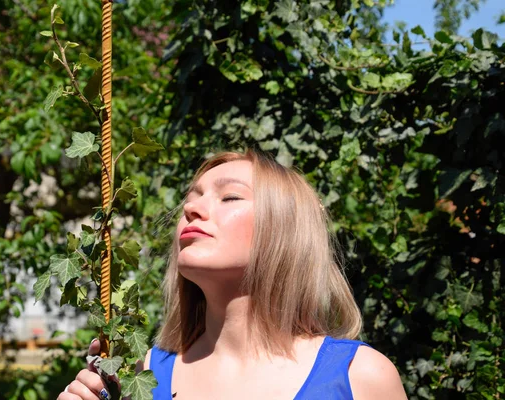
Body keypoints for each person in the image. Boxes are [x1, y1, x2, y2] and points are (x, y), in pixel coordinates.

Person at [58, 150, 408, 400]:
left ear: (285, 227)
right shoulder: (143, 375)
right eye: (191, 200)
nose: (191, 208)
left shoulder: (360, 378)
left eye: (229, 197)